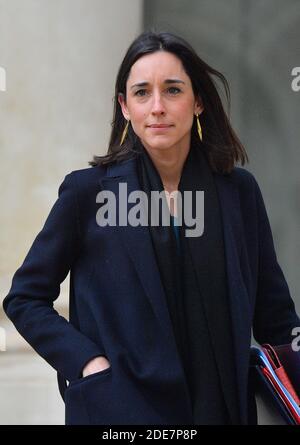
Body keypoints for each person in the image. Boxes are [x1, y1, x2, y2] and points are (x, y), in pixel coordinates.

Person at [3, 30, 300, 426]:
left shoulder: (238, 192)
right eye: (142, 93)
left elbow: (276, 316)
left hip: (223, 412)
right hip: (120, 415)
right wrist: (88, 363)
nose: (157, 106)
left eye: (173, 90)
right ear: (125, 107)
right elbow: (25, 299)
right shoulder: (87, 193)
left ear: (197, 102)